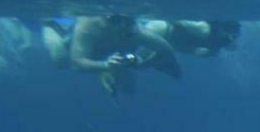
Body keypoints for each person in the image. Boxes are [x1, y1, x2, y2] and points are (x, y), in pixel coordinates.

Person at [42, 14, 181, 97]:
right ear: (107, 25)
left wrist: (143, 64)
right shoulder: (88, 26)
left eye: (128, 33)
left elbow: (167, 51)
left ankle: (108, 73)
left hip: (110, 56)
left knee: (129, 90)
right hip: (72, 43)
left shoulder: (135, 31)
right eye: (122, 33)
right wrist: (105, 65)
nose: (125, 35)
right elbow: (77, 63)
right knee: (60, 60)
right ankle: (50, 25)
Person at [141, 20, 240, 56]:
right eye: (233, 36)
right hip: (161, 30)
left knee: (140, 63)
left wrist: (192, 50)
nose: (233, 40)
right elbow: (178, 20)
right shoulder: (205, 29)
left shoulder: (213, 49)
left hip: (163, 40)